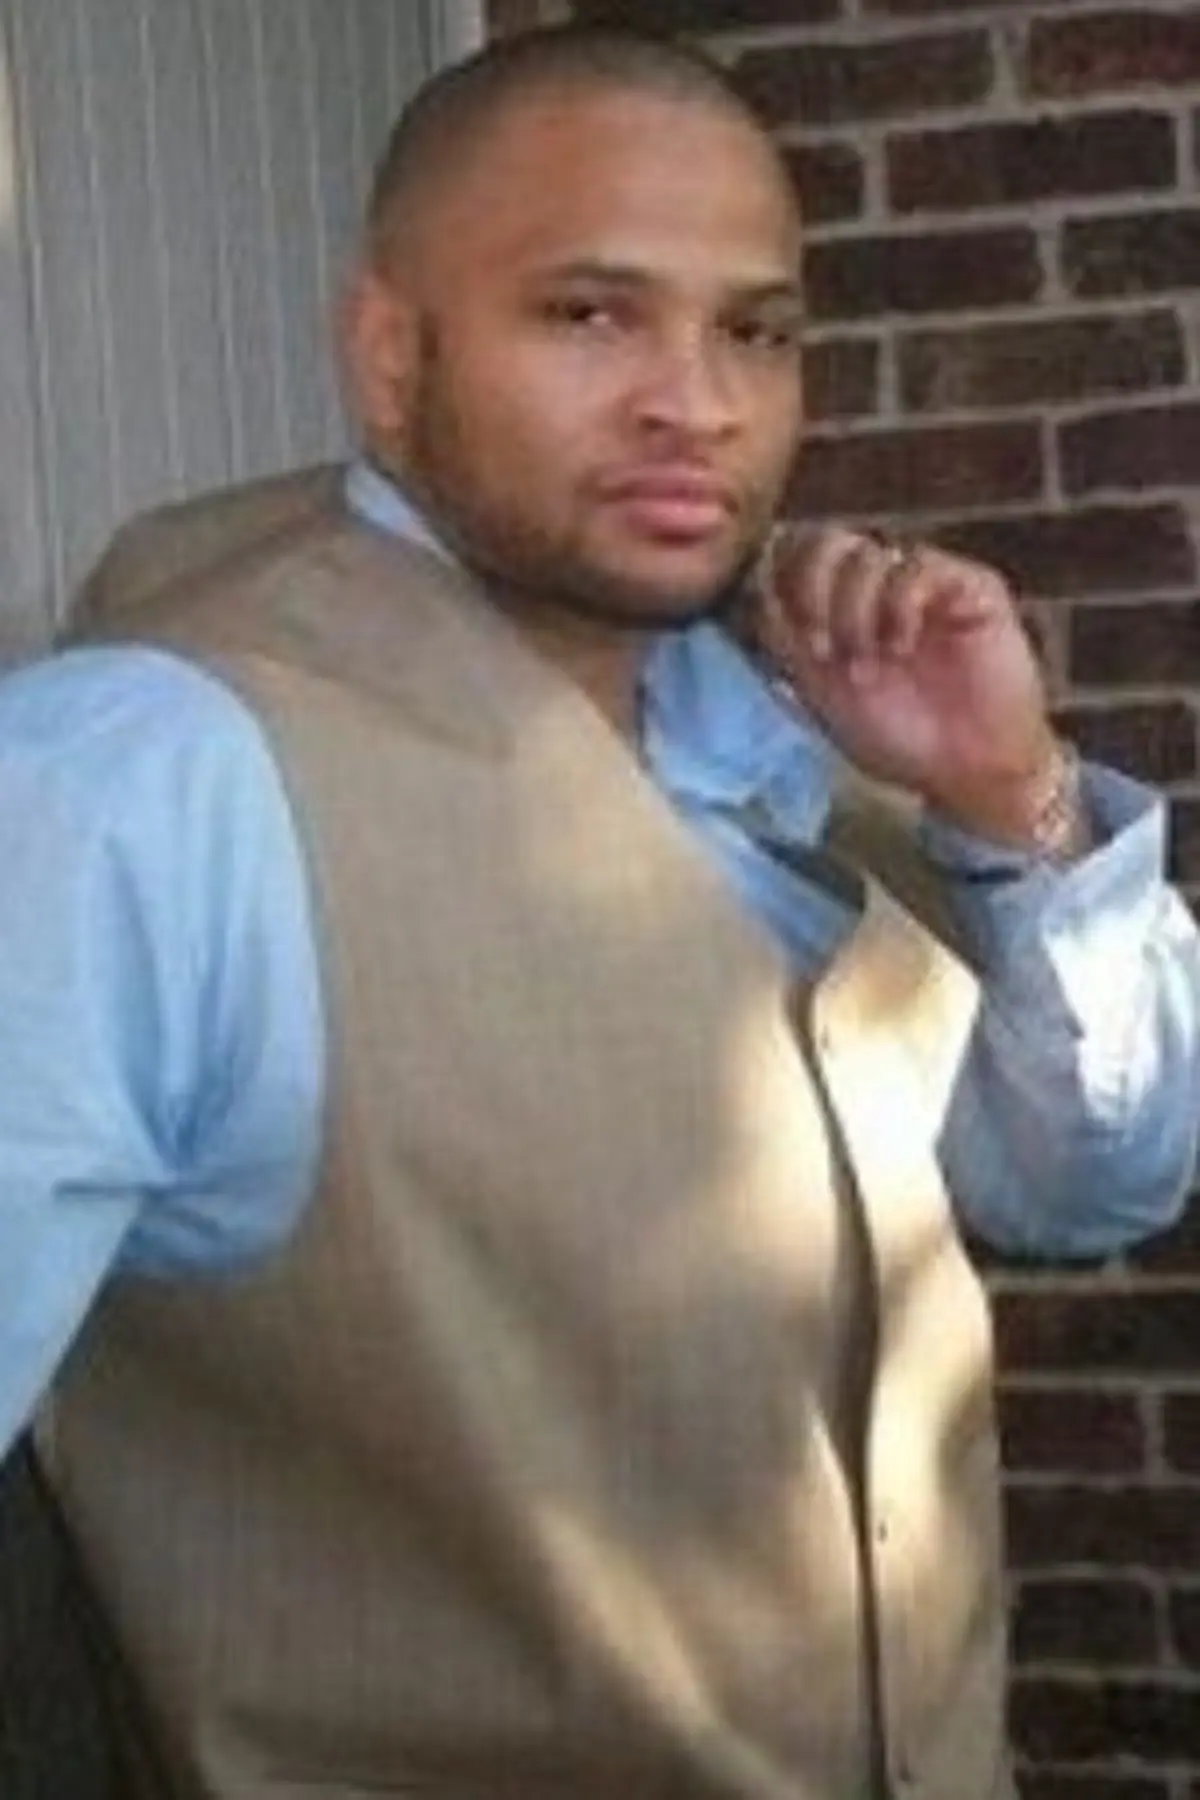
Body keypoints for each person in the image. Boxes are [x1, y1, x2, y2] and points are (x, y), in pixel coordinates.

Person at [0, 22, 1196, 1800]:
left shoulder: (786, 737)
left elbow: (1085, 1189)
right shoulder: (142, 780)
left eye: (755, 332)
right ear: (389, 356)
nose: (694, 403)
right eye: (590, 314)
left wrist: (1001, 799)